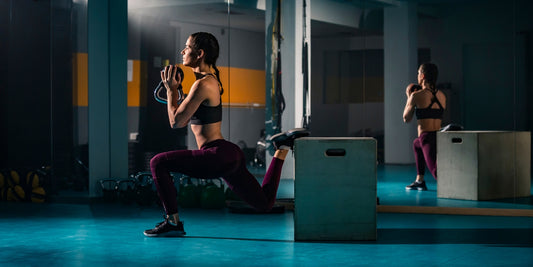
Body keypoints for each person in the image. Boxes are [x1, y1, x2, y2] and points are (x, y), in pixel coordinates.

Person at [144, 32, 309, 237]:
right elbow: (186, 110)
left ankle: (173, 222)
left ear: (200, 54)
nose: (182, 51)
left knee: (157, 163)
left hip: (216, 156)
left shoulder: (203, 84)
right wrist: (176, 91)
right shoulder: (208, 82)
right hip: (227, 155)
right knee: (264, 204)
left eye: (187, 47)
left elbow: (176, 121)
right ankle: (281, 149)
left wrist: (171, 90)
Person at [402, 63, 446, 191]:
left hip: (426, 138)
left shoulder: (417, 95)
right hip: (438, 136)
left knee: (437, 173)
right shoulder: (442, 96)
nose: (417, 76)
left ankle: (457, 188)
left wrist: (409, 97)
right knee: (416, 144)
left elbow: (406, 118)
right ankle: (419, 180)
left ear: (422, 75)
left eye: (418, 73)